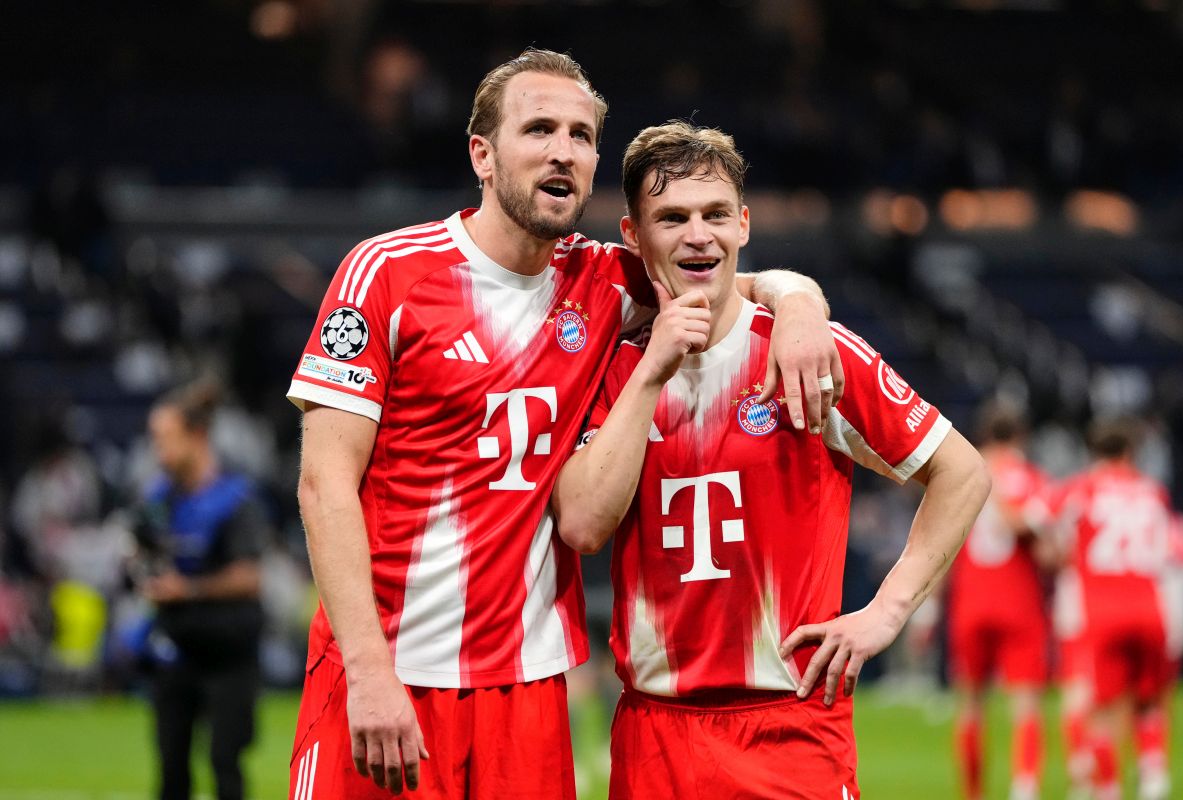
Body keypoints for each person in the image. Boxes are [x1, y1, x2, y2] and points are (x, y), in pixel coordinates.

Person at [285, 49, 842, 800]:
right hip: (393, 671)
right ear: (482, 153)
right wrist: (368, 671)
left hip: (530, 689)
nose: (563, 150)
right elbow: (324, 486)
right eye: (539, 128)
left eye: (581, 136)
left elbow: (733, 280)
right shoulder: (387, 274)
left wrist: (802, 307)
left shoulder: (605, 281)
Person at [552, 121, 990, 799]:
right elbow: (580, 525)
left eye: (715, 214)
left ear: (744, 225)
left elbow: (962, 472)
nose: (699, 234)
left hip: (789, 732)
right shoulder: (610, 366)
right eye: (672, 217)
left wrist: (887, 611)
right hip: (654, 737)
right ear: (633, 237)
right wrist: (652, 373)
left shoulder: (812, 353)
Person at [134, 381, 268, 800]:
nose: (159, 452)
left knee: (225, 763)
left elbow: (250, 576)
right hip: (176, 647)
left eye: (165, 439)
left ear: (197, 436)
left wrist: (187, 589)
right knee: (171, 767)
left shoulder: (235, 499)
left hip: (229, 650)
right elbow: (143, 555)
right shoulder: (158, 499)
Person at [1051, 418, 1183, 800]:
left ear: (1094, 453)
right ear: (1131, 452)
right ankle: (1153, 769)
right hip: (1150, 605)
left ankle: (1106, 789)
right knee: (1149, 699)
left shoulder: (1081, 488)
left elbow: (1047, 528)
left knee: (1101, 712)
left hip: (1103, 610)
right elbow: (1169, 549)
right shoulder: (1153, 491)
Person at [945, 403, 1053, 800]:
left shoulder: (960, 471)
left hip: (970, 600)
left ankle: (972, 794)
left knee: (971, 705)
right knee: (1025, 705)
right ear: (1020, 437)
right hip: (1019, 601)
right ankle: (1024, 788)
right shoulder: (1031, 479)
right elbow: (1046, 553)